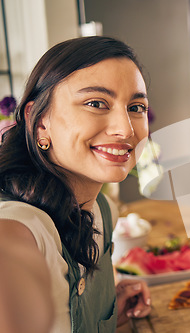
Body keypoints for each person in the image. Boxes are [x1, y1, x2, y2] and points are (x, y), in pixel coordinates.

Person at [0, 36, 152, 333]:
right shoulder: (17, 232)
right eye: (96, 103)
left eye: (136, 107)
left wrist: (107, 310)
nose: (125, 129)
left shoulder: (102, 210)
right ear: (40, 120)